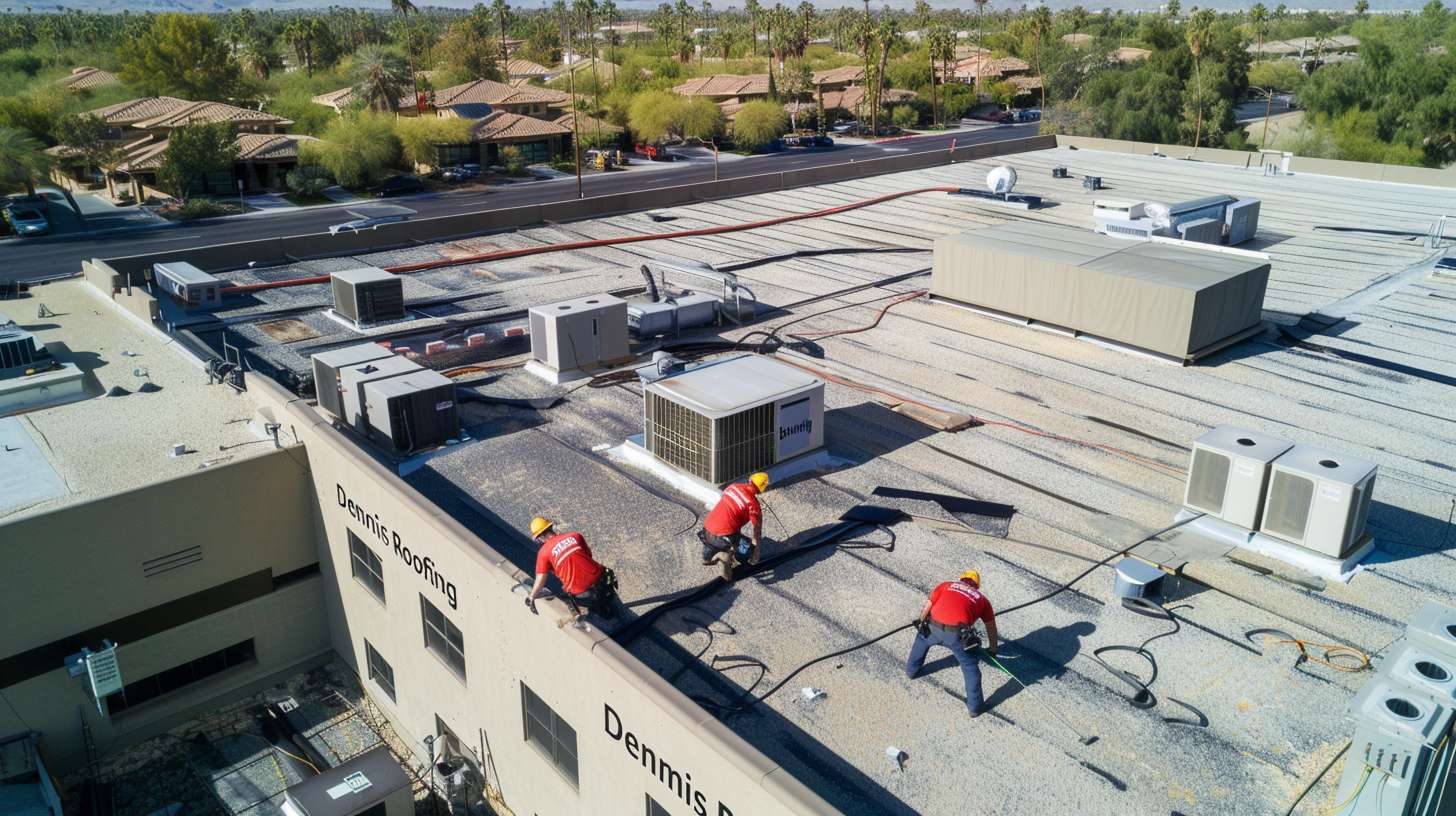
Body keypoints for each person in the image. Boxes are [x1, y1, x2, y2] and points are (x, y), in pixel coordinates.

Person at [906, 569, 998, 718]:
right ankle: (975, 707)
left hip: (933, 627)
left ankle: (911, 671)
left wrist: (921, 622)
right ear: (977, 586)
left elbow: (928, 606)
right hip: (957, 635)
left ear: (961, 579)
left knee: (921, 640)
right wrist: (993, 650)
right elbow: (991, 628)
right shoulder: (982, 600)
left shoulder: (946, 585)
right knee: (970, 667)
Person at [525, 517, 619, 619]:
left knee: (572, 598)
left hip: (583, 594)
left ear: (539, 538)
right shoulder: (575, 535)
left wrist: (531, 597)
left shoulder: (543, 553)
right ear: (551, 527)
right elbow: (588, 555)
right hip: (604, 581)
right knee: (610, 601)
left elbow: (541, 579)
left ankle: (601, 617)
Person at [699, 472, 768, 581]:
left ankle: (707, 558)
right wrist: (756, 552)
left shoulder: (733, 487)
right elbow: (757, 532)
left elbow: (730, 510)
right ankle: (727, 555)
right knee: (747, 547)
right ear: (761, 489)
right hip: (724, 536)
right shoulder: (753, 505)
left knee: (725, 535)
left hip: (707, 529)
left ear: (750, 480)